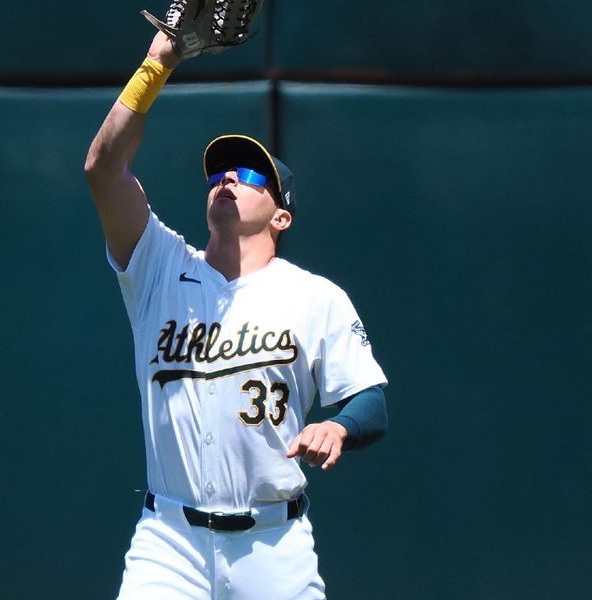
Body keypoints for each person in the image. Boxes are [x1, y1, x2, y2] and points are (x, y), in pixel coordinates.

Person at [85, 30, 389, 600]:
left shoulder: (313, 296)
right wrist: (158, 62)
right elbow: (103, 167)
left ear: (282, 217)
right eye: (220, 172)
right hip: (169, 542)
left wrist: (339, 425)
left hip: (273, 545)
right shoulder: (157, 265)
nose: (229, 178)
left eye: (251, 177)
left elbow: (371, 399)